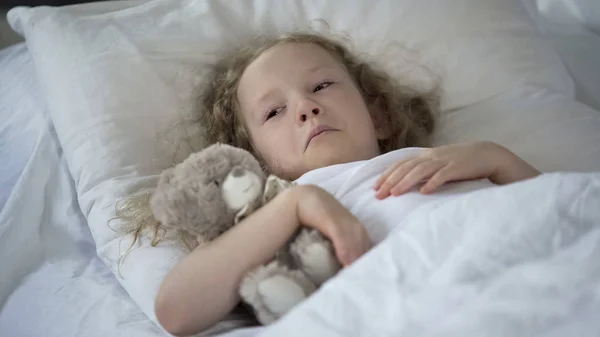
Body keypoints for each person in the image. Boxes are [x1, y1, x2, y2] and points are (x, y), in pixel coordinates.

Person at [122, 33, 540, 336]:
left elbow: (565, 210)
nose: (306, 107)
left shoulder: (447, 162)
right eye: (274, 112)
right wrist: (297, 203)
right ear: (256, 161)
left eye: (321, 85)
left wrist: (495, 159)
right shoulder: (277, 209)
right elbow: (175, 310)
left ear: (379, 116)